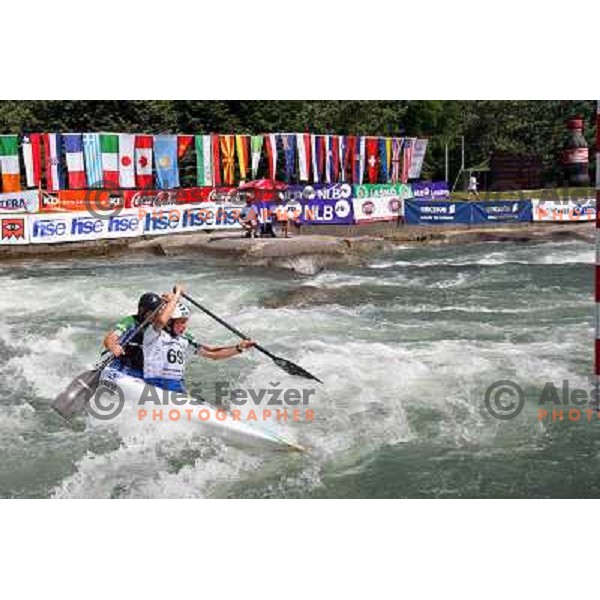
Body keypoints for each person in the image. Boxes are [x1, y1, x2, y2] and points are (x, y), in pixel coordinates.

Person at [143, 284, 256, 393]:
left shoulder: (184, 341)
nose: (184, 326)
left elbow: (213, 354)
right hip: (155, 386)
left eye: (186, 322)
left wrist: (239, 348)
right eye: (181, 322)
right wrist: (177, 295)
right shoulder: (153, 334)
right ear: (169, 322)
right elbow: (161, 320)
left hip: (176, 387)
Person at [103, 292, 163, 379]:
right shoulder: (130, 322)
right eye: (153, 312)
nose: (156, 315)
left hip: (144, 371)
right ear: (142, 310)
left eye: (158, 312)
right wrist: (113, 346)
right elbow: (111, 337)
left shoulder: (157, 326)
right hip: (124, 367)